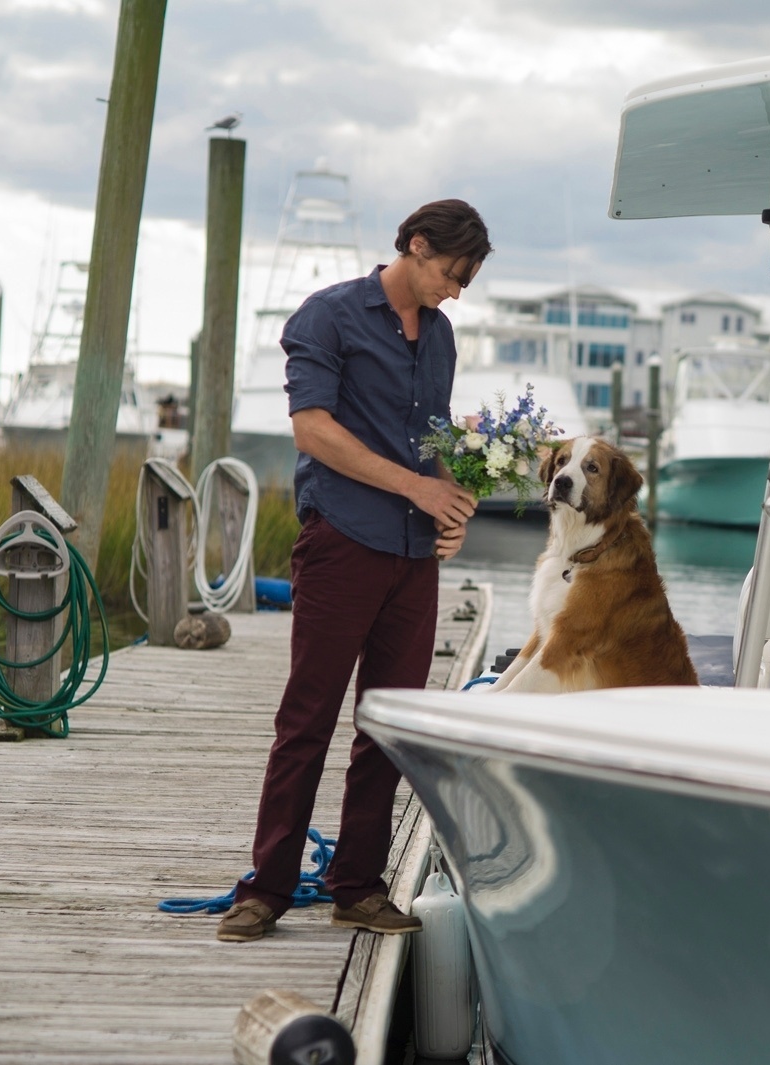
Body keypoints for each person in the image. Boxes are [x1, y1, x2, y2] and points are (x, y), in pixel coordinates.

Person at [217, 200, 490, 942]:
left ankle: (358, 887)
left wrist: (450, 508)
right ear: (415, 245)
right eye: (451, 273)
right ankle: (266, 888)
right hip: (341, 543)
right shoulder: (327, 316)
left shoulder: (440, 338)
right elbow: (313, 428)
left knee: (388, 726)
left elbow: (430, 443)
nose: (456, 290)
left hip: (414, 559)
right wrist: (415, 487)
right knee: (308, 718)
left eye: (466, 281)